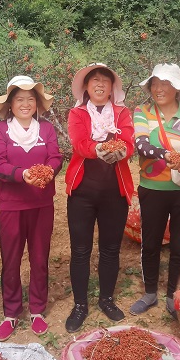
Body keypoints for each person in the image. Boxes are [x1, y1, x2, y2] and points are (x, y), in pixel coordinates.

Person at [0, 75, 63, 341]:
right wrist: (22, 174)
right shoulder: (0, 130)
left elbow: (56, 157)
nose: (25, 104)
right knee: (11, 258)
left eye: (30, 99)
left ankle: (38, 310)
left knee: (40, 257)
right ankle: (11, 312)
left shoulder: (46, 130)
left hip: (41, 203)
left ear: (37, 104)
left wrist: (46, 172)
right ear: (10, 103)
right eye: (19, 99)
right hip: (11, 205)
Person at [63, 63, 135, 333]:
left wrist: (121, 152)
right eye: (94, 81)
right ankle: (80, 304)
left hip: (114, 192)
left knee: (110, 249)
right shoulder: (77, 113)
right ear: (86, 87)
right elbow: (79, 142)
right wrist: (99, 149)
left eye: (105, 80)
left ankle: (106, 299)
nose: (100, 85)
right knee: (80, 250)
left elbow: (128, 141)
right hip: (83, 191)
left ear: (112, 87)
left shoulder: (123, 113)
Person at [129, 64, 180, 317]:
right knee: (150, 243)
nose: (159, 89)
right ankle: (150, 292)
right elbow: (141, 144)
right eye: (155, 84)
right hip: (153, 188)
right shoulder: (142, 112)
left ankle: (174, 294)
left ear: (177, 88)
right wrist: (171, 155)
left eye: (166, 84)